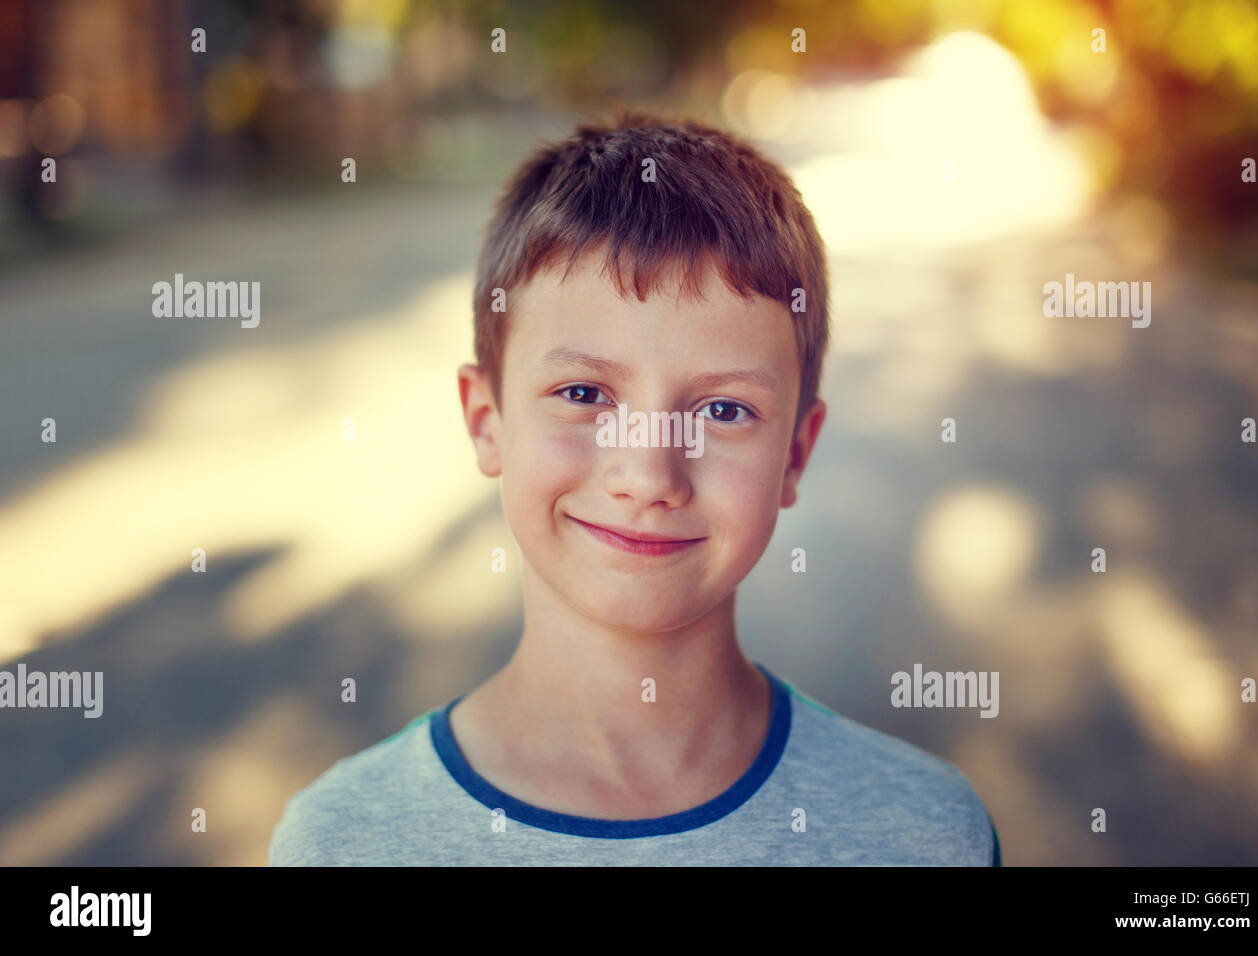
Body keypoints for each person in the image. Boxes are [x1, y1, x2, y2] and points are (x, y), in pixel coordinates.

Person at [269, 107, 1001, 865]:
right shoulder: (344, 841)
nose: (648, 475)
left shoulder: (926, 834)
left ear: (794, 454)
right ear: (486, 421)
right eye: (584, 395)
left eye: (723, 411)